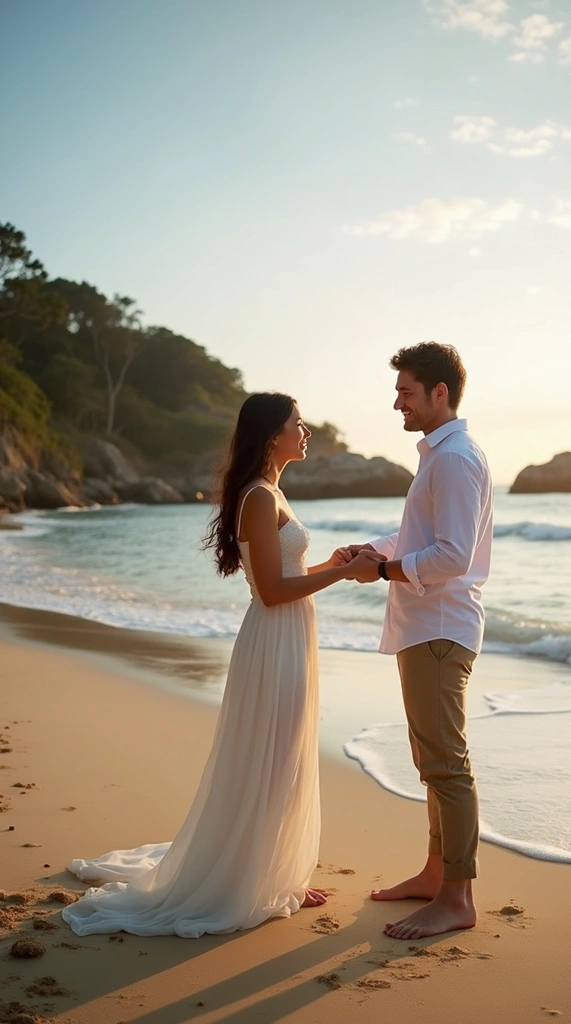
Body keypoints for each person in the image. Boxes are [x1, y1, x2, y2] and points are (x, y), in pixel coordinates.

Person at [62, 392, 382, 938]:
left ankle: (277, 873)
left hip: (288, 637)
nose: (305, 431)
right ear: (271, 435)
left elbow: (282, 571)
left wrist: (330, 562)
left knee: (282, 757)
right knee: (273, 758)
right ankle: (258, 878)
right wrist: (344, 577)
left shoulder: (271, 492)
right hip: (274, 637)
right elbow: (273, 593)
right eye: (296, 424)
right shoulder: (259, 496)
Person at [347, 342, 494, 941]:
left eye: (406, 391)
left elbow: (452, 556)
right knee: (432, 761)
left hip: (439, 627)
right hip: (426, 628)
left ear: (441, 393)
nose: (397, 402)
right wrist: (372, 551)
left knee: (445, 765)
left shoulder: (456, 458)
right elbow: (419, 534)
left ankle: (457, 896)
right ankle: (436, 875)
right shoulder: (441, 456)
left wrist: (383, 571)